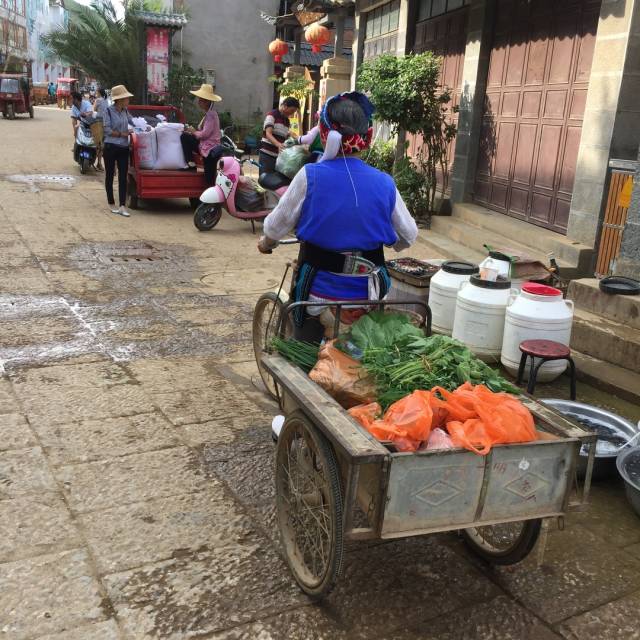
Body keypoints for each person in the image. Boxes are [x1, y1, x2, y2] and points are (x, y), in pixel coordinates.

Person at [258, 91, 419, 342]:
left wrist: (267, 243)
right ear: (367, 137)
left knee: (304, 346)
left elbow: (276, 226)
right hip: (370, 293)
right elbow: (408, 235)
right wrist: (391, 241)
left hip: (319, 296)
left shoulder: (310, 175)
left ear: (324, 133)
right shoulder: (385, 183)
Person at [179, 83, 223, 184]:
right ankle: (191, 164)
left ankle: (211, 197)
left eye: (201, 100)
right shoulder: (208, 114)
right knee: (185, 137)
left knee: (209, 178)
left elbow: (204, 135)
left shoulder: (211, 115)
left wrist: (193, 131)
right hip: (206, 147)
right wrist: (192, 132)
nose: (198, 102)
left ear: (207, 101)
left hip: (210, 149)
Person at [103, 84, 135, 218]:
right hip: (110, 147)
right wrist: (122, 134)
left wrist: (142, 125)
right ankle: (111, 202)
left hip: (123, 148)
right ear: (120, 99)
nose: (128, 100)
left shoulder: (125, 111)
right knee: (110, 175)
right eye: (126, 98)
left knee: (123, 176)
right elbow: (107, 130)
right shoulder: (108, 111)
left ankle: (122, 205)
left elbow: (133, 121)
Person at [259, 96, 300, 174]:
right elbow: (268, 133)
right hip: (267, 154)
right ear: (284, 105)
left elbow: (283, 136)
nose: (292, 114)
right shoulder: (272, 115)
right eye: (291, 110)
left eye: (294, 112)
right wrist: (278, 144)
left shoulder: (287, 121)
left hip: (277, 156)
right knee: (264, 180)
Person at [91, 88, 108, 172]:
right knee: (101, 145)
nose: (95, 93)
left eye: (96, 92)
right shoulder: (106, 101)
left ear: (99, 93)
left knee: (97, 144)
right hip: (106, 124)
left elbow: (93, 111)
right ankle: (99, 163)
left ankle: (95, 163)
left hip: (98, 124)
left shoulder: (98, 100)